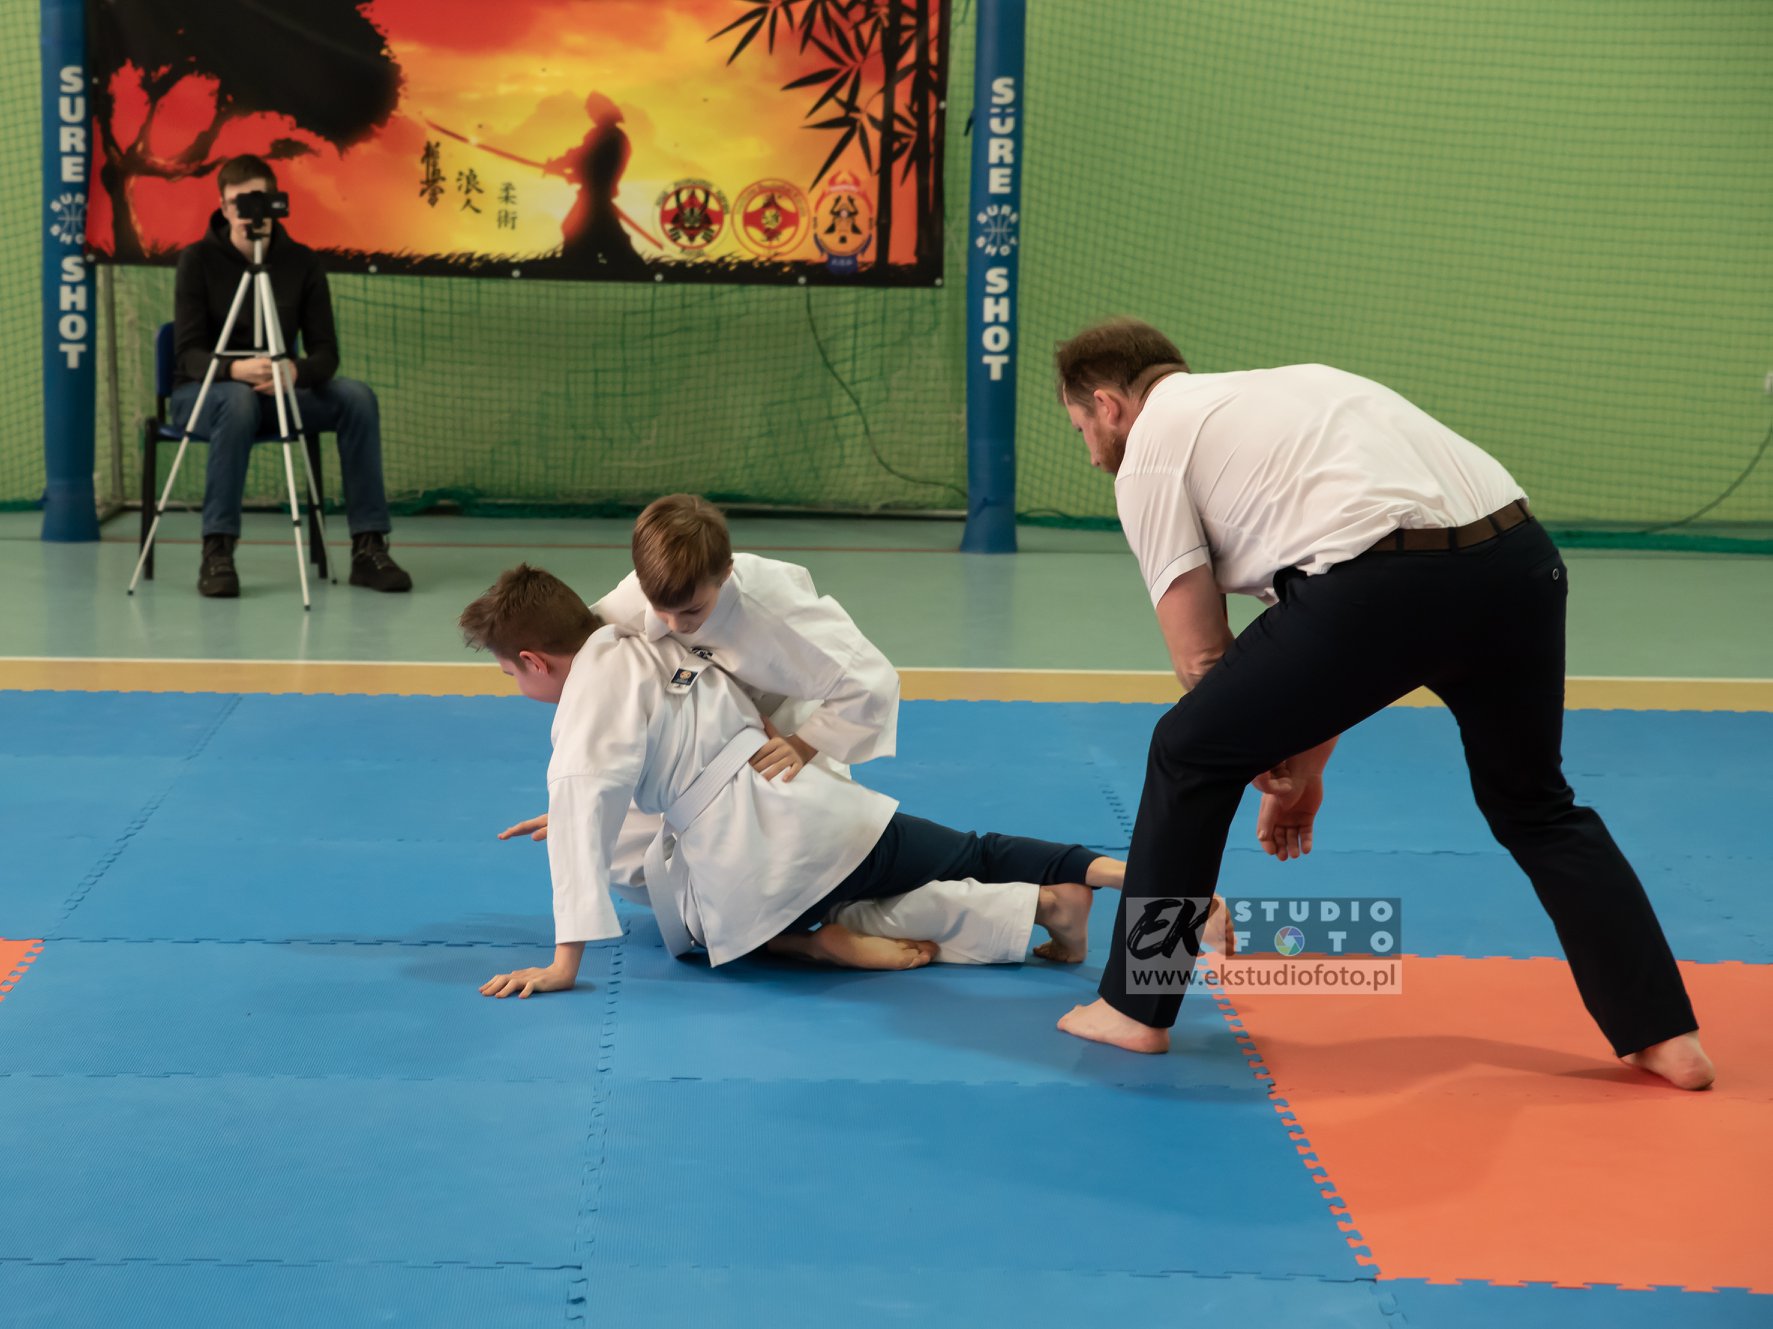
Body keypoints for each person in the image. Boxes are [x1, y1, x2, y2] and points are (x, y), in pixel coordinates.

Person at [1049, 317, 1713, 1091]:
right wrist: (1303, 764)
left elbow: (1203, 655)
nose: (1089, 452)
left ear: (1108, 404)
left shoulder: (1153, 452)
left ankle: (1135, 1006)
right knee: (1535, 805)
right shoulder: (1292, 390)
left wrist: (1264, 751)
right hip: (1519, 566)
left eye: (1081, 429)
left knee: (1186, 749)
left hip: (1386, 587)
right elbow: (1320, 615)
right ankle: (1664, 1034)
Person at [459, 564, 1129, 999]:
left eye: (510, 673)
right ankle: (1125, 876)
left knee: (709, 931)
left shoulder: (583, 705)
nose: (514, 684)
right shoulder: (651, 633)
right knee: (974, 851)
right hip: (819, 812)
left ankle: (813, 944)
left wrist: (563, 965)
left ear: (534, 660)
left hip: (754, 869)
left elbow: (584, 806)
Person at [500, 493, 900, 889]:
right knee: (612, 851)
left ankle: (821, 911)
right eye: (660, 608)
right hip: (706, 738)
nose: (675, 624)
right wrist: (587, 802)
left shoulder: (777, 612)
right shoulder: (634, 598)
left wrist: (804, 744)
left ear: (725, 573)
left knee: (809, 864)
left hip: (780, 738)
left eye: (692, 610)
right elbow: (589, 660)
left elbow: (872, 681)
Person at [171, 154, 412, 598]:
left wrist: (294, 370)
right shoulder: (197, 260)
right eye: (239, 203)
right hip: (205, 397)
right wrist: (234, 369)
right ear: (223, 208)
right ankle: (217, 550)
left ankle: (369, 547)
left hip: (279, 395)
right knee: (237, 399)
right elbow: (187, 356)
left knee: (356, 397)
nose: (250, 214)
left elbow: (327, 354)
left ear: (276, 204)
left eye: (259, 202)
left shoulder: (300, 262)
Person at [543, 92, 645, 274]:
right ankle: (584, 266)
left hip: (595, 197)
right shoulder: (617, 137)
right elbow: (590, 163)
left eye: (591, 110)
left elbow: (583, 158)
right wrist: (575, 174)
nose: (590, 115)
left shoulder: (604, 136)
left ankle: (580, 269)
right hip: (597, 196)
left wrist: (560, 166)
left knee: (583, 232)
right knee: (597, 235)